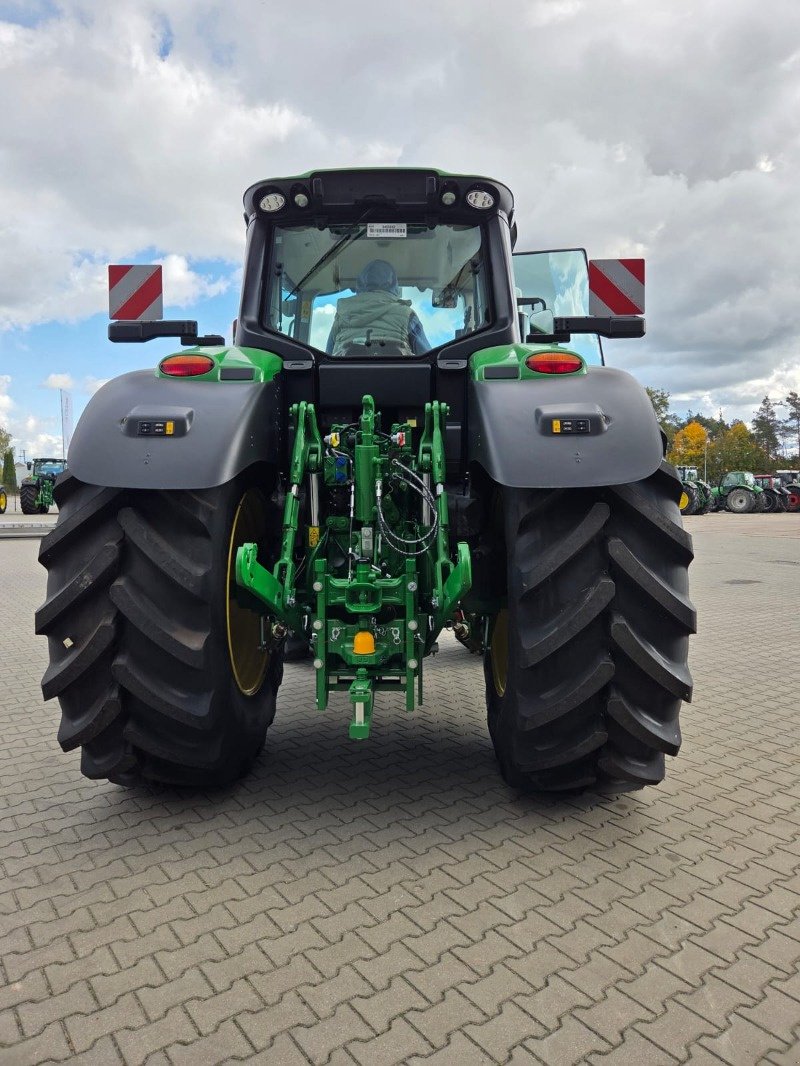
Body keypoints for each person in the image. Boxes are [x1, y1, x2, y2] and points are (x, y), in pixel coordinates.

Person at [326, 259, 430, 355]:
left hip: (345, 375)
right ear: (394, 284)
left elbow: (327, 357)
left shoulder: (343, 314)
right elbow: (427, 356)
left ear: (360, 284)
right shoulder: (407, 314)